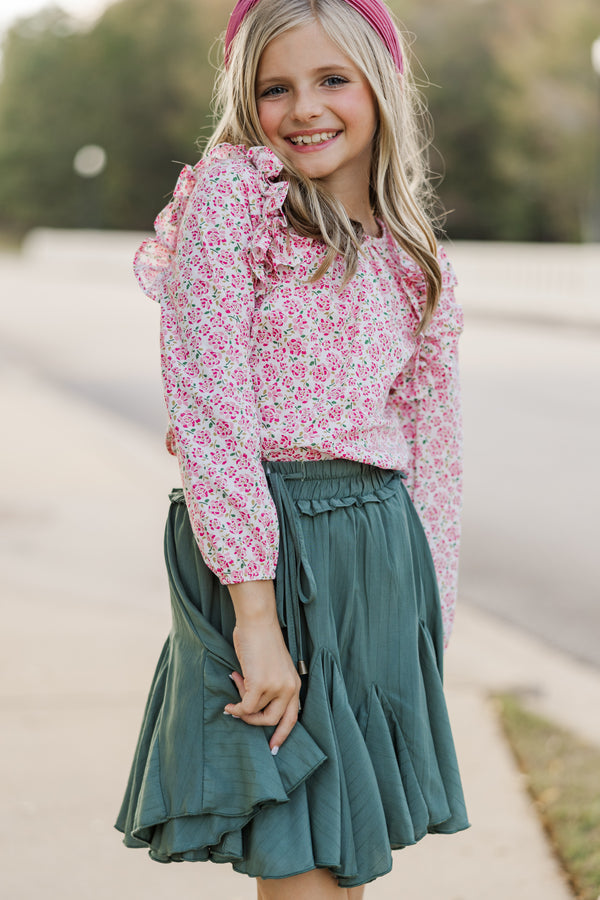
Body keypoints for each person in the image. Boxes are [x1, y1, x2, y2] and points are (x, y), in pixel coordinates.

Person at [115, 0, 469, 896]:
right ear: (247, 97)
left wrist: (432, 623)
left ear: (380, 87)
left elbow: (437, 452)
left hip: (379, 557)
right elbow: (209, 404)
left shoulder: (415, 258)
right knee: (300, 864)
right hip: (262, 553)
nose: (305, 107)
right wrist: (257, 620)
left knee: (342, 866)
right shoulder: (235, 200)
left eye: (332, 80)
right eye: (277, 87)